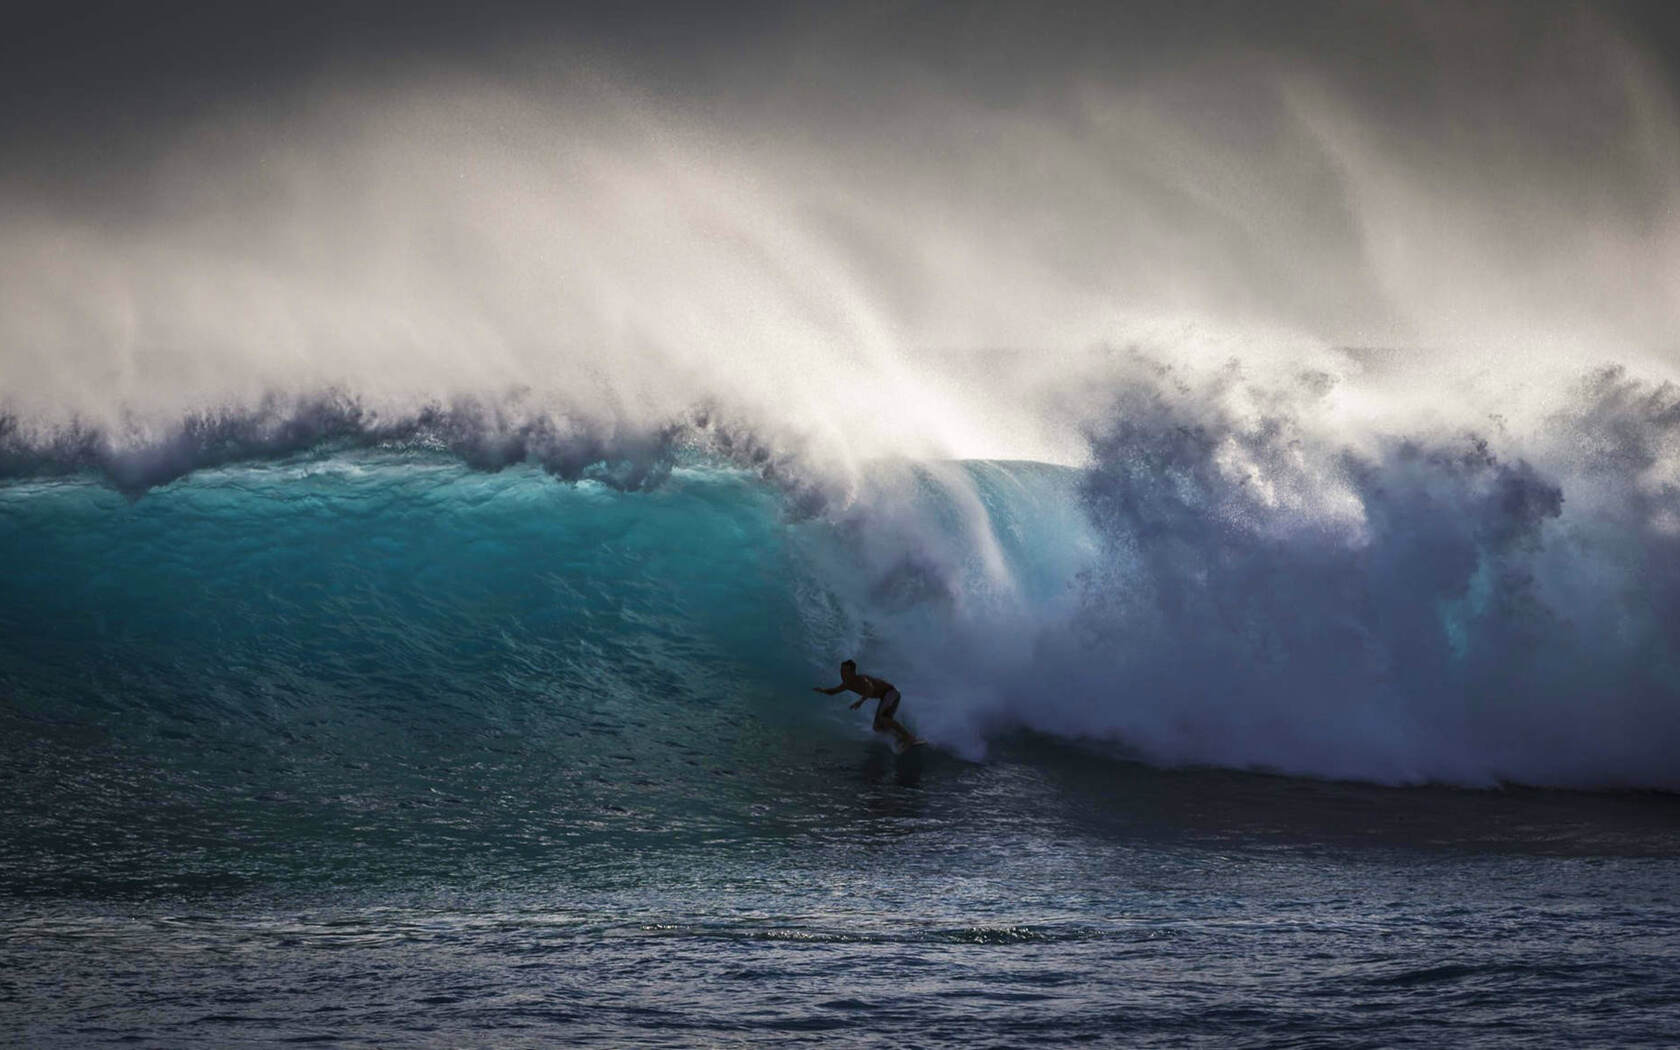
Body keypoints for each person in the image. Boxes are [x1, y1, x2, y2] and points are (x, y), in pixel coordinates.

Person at [814, 659, 919, 748]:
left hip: (891, 693)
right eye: (841, 670)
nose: (842, 673)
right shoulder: (847, 684)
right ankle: (900, 737)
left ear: (852, 672)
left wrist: (861, 701)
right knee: (877, 727)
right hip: (885, 697)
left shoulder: (861, 679)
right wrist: (822, 690)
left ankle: (909, 737)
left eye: (846, 671)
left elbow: (870, 688)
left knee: (882, 718)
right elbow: (833, 692)